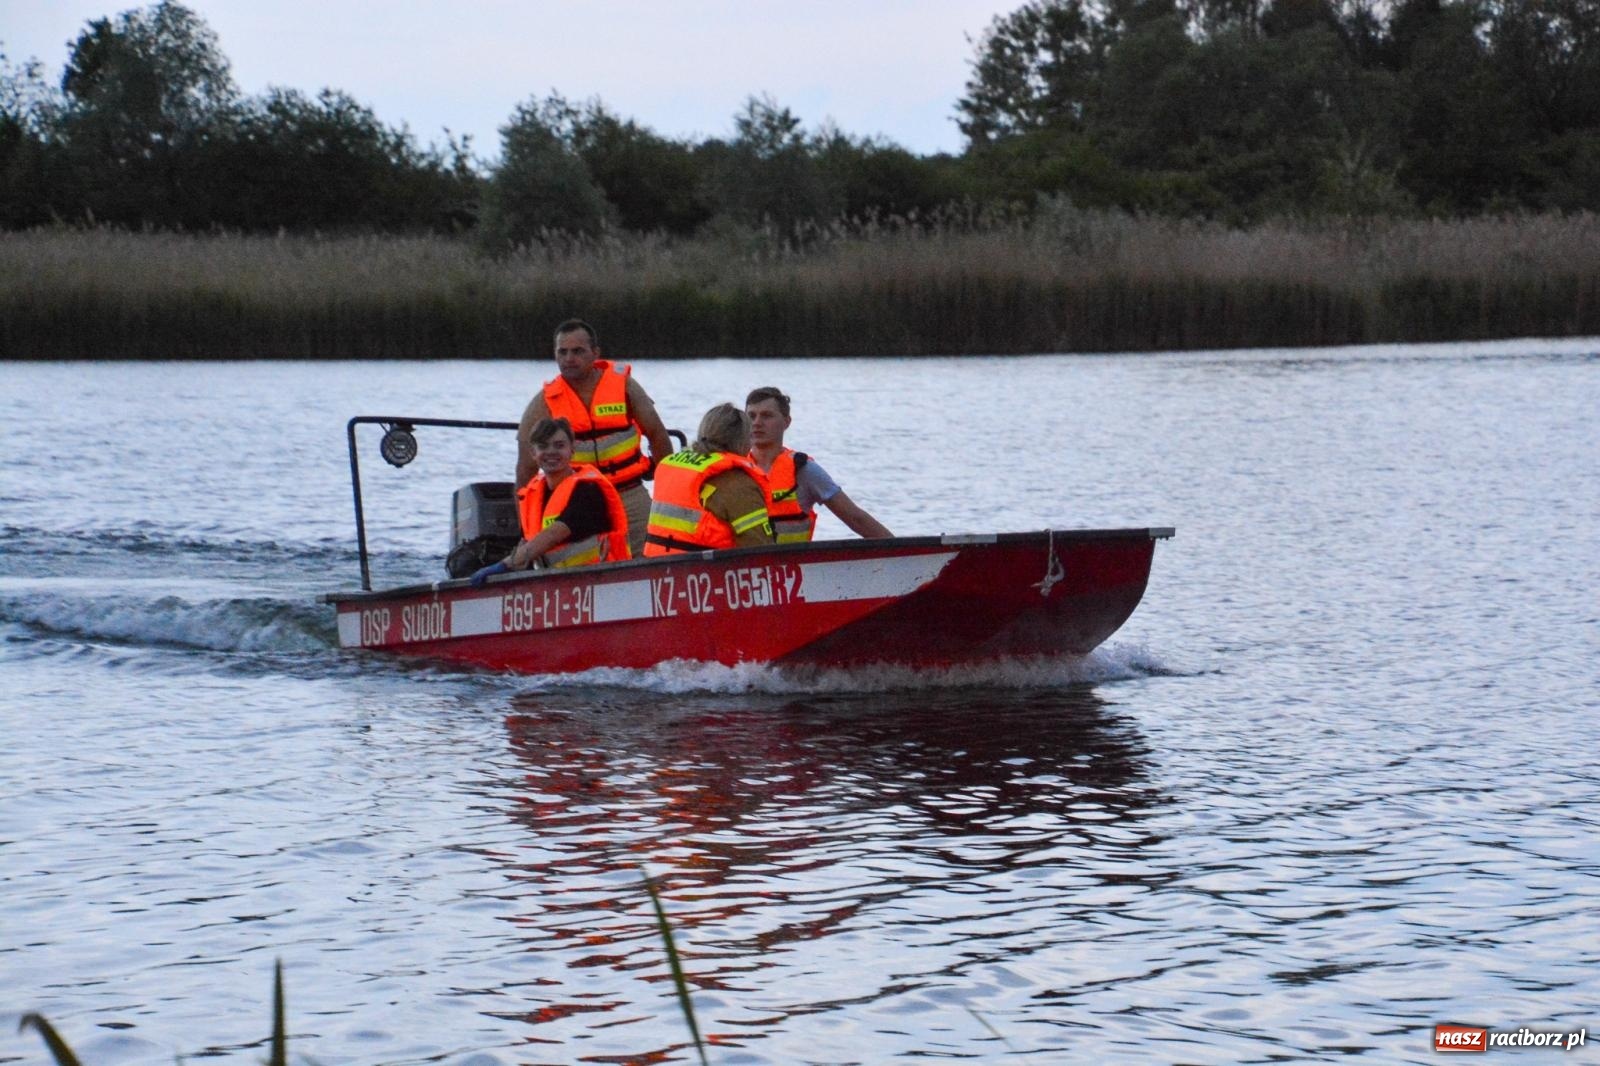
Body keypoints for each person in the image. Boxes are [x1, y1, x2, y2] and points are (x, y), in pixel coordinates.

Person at [517, 318, 673, 558]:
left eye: (577, 351)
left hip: (630, 495)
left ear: (595, 353)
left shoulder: (624, 386)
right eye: (562, 352)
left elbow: (658, 435)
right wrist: (526, 529)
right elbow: (525, 468)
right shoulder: (543, 402)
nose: (569, 358)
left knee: (652, 559)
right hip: (575, 504)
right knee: (584, 566)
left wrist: (666, 493)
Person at [472, 417, 629, 585]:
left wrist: (504, 565)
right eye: (543, 446)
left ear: (572, 449)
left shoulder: (588, 490)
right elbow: (528, 543)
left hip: (602, 582)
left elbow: (554, 534)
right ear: (533, 453)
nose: (551, 452)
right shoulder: (532, 494)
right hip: (556, 584)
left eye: (559, 445)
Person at [744, 386, 893, 542]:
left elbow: (856, 518)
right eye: (751, 416)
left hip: (794, 557)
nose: (757, 423)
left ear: (786, 422)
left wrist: (897, 549)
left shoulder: (804, 470)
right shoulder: (735, 470)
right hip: (745, 557)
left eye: (767, 416)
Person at [644, 404, 775, 555]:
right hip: (706, 567)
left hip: (656, 563)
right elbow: (759, 549)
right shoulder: (738, 484)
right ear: (743, 440)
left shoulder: (673, 466)